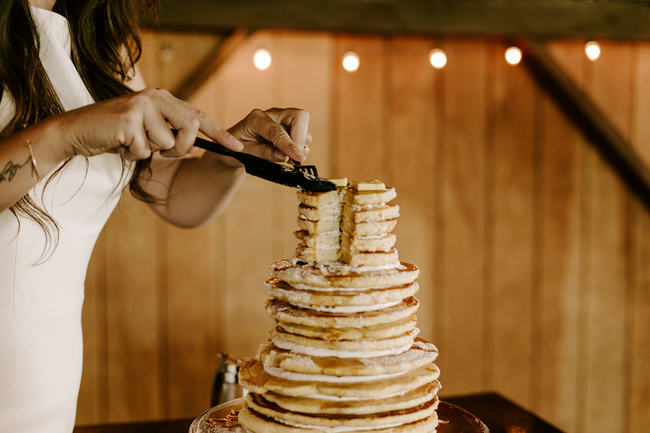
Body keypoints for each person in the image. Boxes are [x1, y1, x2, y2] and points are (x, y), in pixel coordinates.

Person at [0, 1, 312, 432]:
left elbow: (169, 193)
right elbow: (70, 136)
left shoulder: (100, 41)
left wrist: (232, 157)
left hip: (47, 386)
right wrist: (65, 133)